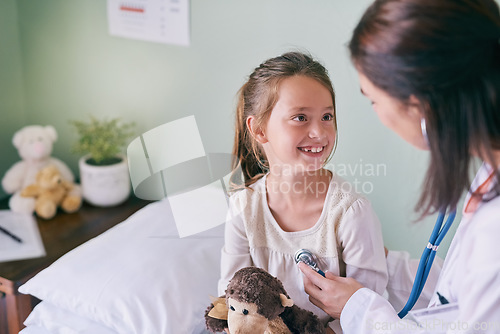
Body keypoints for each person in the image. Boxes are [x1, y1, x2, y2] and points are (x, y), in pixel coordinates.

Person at [299, 0, 500, 332]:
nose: (318, 133)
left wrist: (358, 309)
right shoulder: (488, 173)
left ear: (420, 106)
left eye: (374, 99)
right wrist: (382, 262)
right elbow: (460, 299)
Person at [219, 51, 388, 333]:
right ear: (259, 129)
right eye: (300, 117)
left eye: (326, 116)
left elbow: (368, 313)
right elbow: (233, 302)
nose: (319, 133)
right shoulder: (243, 208)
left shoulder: (351, 212)